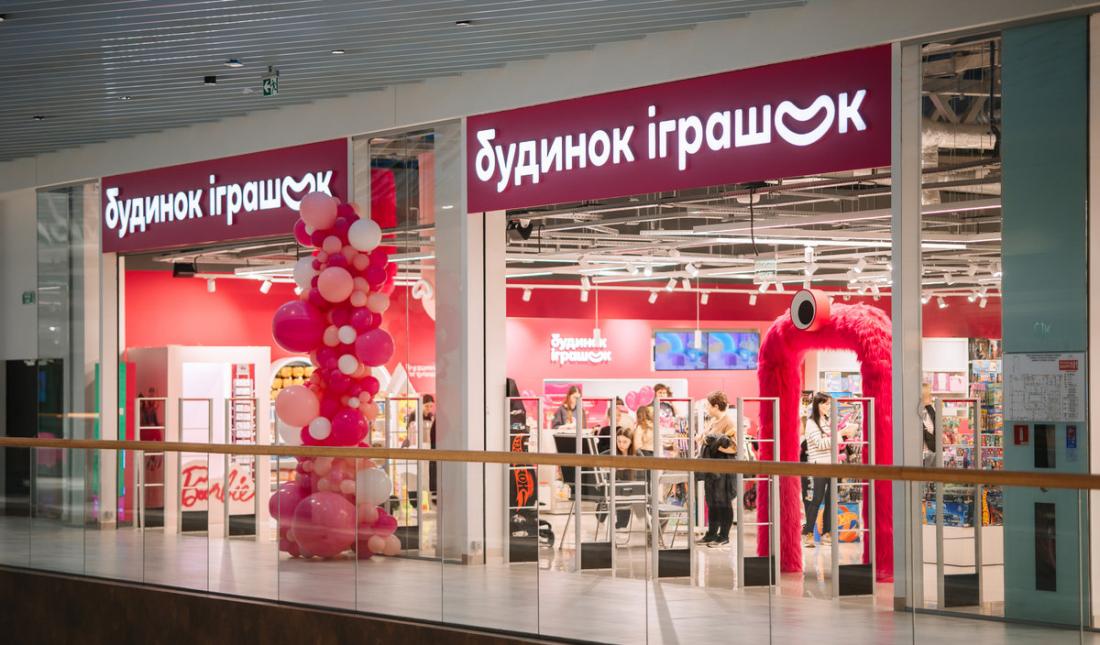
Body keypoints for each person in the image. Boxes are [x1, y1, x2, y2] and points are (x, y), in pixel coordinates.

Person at [802, 392, 854, 547]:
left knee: (831, 500)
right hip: (819, 465)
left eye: (829, 404)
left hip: (832, 465)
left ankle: (827, 533)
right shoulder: (811, 423)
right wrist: (840, 434)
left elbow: (832, 442)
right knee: (817, 499)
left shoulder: (827, 421)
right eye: (825, 403)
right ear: (817, 404)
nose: (828, 407)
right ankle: (808, 534)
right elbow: (820, 444)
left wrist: (844, 435)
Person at [698, 391, 737, 546]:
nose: (706, 408)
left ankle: (724, 536)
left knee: (723, 500)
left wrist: (714, 446)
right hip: (711, 466)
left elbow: (734, 447)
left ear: (715, 406)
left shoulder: (729, 422)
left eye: (708, 405)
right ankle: (712, 533)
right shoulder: (712, 421)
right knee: (711, 500)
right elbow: (704, 438)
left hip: (723, 467)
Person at [920, 383, 937, 467]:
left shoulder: (930, 410)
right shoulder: (916, 413)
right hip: (921, 457)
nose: (931, 397)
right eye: (929, 394)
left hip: (931, 454)